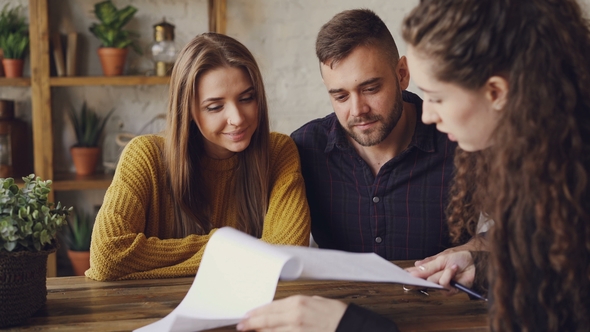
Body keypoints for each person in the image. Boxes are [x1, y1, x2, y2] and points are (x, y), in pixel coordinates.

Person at [238, 0, 590, 330]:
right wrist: (482, 264)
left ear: (496, 93)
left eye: (436, 97)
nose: (429, 113)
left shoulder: (546, 179)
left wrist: (346, 325)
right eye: (340, 95)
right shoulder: (549, 175)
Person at [86, 33, 311, 281]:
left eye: (247, 98)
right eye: (215, 107)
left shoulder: (278, 151)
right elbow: (109, 256)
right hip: (151, 310)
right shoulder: (145, 156)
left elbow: (287, 254)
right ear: (188, 110)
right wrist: (229, 244)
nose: (237, 118)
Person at [290, 8, 457, 261]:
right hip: (337, 301)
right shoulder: (303, 149)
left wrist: (473, 250)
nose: (357, 110)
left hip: (440, 300)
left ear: (402, 74)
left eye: (370, 88)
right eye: (341, 96)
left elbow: (518, 228)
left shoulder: (456, 141)